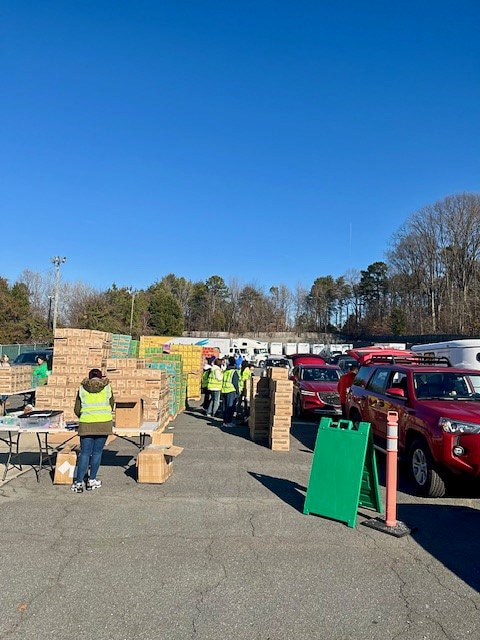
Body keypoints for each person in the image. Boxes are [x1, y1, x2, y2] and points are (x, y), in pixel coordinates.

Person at [71, 368, 114, 493]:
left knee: (84, 453)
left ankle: (79, 483)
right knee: (97, 453)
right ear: (101, 378)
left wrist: (84, 416)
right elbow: (112, 404)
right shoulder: (107, 388)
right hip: (103, 423)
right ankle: (92, 480)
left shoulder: (82, 388)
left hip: (86, 423)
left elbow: (77, 408)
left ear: (89, 378)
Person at [221, 356, 239, 427]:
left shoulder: (226, 371)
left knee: (224, 407)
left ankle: (225, 421)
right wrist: (238, 392)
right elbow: (235, 383)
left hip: (224, 390)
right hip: (231, 391)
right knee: (230, 407)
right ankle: (228, 422)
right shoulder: (234, 372)